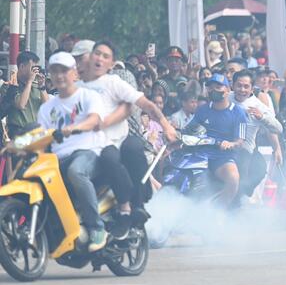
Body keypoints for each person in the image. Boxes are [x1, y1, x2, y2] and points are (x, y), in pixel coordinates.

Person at [78, 40, 177, 238]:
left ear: (112, 63)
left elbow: (146, 105)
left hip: (117, 144)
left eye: (106, 56)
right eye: (97, 53)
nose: (100, 58)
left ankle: (134, 206)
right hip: (88, 148)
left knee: (132, 146)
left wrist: (166, 126)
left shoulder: (114, 83)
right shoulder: (77, 87)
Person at [36, 52, 108, 251]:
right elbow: (41, 137)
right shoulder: (46, 108)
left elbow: (95, 120)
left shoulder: (88, 96)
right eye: (55, 71)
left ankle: (97, 227)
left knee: (75, 172)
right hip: (58, 159)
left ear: (75, 73)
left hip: (88, 152)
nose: (59, 76)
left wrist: (74, 128)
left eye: (64, 71)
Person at [183, 73, 249, 207]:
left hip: (222, 158)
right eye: (211, 87)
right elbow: (189, 129)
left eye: (219, 86)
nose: (214, 90)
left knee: (233, 179)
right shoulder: (202, 110)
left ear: (228, 89)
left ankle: (218, 211)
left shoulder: (238, 112)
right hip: (199, 155)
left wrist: (231, 143)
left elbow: (240, 141)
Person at [230, 70, 282, 197]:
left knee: (259, 171)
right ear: (233, 85)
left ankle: (240, 198)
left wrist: (261, 117)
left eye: (246, 86)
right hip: (223, 148)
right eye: (239, 85)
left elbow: (278, 128)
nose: (242, 89)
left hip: (245, 151)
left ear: (252, 88)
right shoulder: (226, 98)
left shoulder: (258, 105)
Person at [6, 51, 49, 139]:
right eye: (33, 68)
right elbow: (21, 104)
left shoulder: (36, 85)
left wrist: (42, 87)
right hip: (18, 131)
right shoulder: (11, 86)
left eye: (37, 68)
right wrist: (29, 81)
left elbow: (47, 106)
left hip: (37, 131)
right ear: (22, 66)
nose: (35, 71)